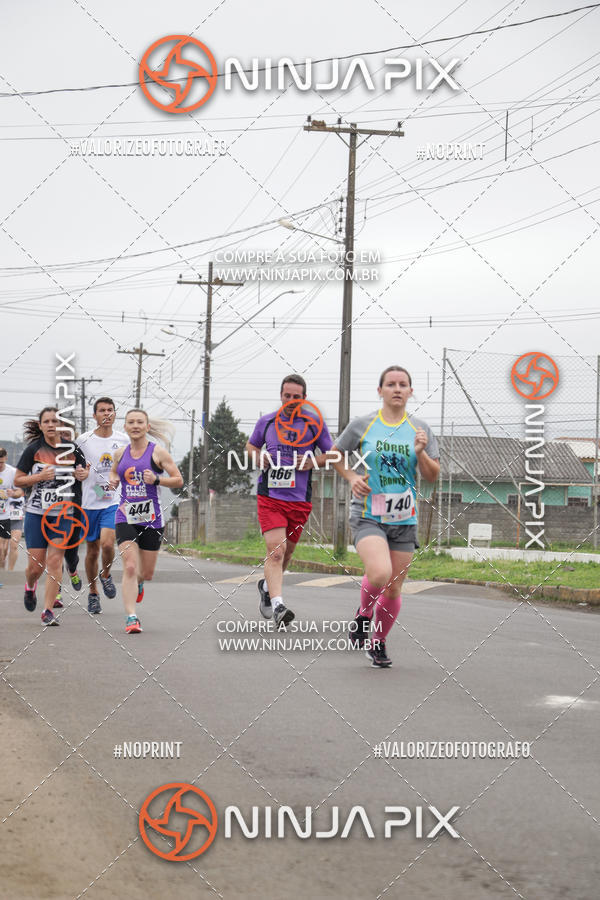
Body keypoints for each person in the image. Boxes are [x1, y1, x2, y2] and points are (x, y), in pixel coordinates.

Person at [330, 366, 439, 667]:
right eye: (390, 384)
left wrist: (421, 453)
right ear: (380, 391)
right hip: (368, 514)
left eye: (403, 384)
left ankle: (378, 643)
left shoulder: (421, 430)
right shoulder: (363, 424)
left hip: (404, 519)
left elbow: (432, 475)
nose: (397, 389)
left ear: (410, 391)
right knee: (379, 573)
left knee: (393, 586)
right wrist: (352, 477)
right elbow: (335, 454)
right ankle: (364, 615)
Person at [246, 374, 333, 627]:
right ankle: (278, 606)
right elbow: (250, 446)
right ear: (281, 396)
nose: (291, 401)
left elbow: (332, 453)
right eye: (287, 396)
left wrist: (312, 461)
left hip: (299, 499)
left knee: (287, 554)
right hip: (271, 496)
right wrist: (257, 456)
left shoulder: (314, 424)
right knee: (276, 552)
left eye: (297, 397)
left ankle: (266, 586)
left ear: (304, 399)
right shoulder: (267, 421)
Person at [108, 409, 183, 634]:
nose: (135, 426)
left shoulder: (158, 453)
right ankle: (132, 617)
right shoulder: (120, 454)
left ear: (147, 427)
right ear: (126, 427)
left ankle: (140, 583)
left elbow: (178, 480)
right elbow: (114, 473)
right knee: (130, 565)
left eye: (140, 422)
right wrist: (113, 481)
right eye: (131, 422)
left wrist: (157, 479)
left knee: (146, 573)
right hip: (125, 515)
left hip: (152, 518)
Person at [14, 408, 89, 626]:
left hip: (63, 514)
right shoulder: (33, 450)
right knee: (35, 568)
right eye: (46, 421)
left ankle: (47, 611)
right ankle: (30, 586)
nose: (51, 424)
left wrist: (83, 474)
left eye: (55, 421)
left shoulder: (72, 448)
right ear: (40, 425)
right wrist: (39, 476)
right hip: (37, 513)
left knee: (55, 561)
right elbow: (18, 480)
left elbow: (83, 472)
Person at [76, 397, 128, 614]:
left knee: (108, 545)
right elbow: (76, 469)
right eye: (102, 410)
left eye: (110, 410)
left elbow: (129, 467)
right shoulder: (83, 440)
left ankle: (105, 575)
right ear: (94, 415)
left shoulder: (124, 439)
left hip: (113, 501)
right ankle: (93, 593)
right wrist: (81, 473)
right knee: (92, 551)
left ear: (115, 414)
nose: (106, 414)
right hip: (90, 502)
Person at [0, 448, 24, 570]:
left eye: (1, 463)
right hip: (1, 514)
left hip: (15, 511)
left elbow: (20, 491)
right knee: (2, 549)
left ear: (5, 459)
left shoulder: (13, 472)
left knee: (14, 545)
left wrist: (13, 493)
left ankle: (10, 572)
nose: (0, 465)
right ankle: (2, 573)